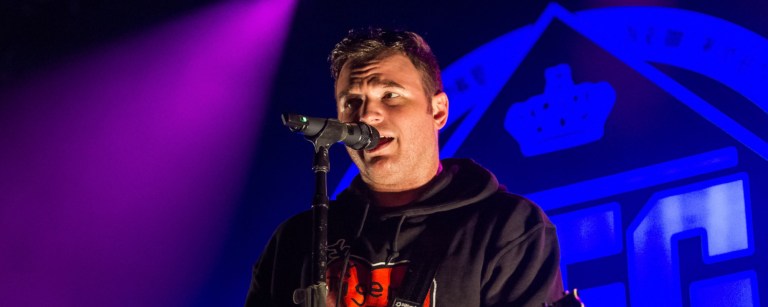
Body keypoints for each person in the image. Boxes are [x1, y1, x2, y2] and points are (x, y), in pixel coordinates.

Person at [246, 28, 563, 307]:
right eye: (351, 102)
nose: (367, 115)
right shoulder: (297, 239)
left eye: (390, 95)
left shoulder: (508, 228)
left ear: (438, 111)